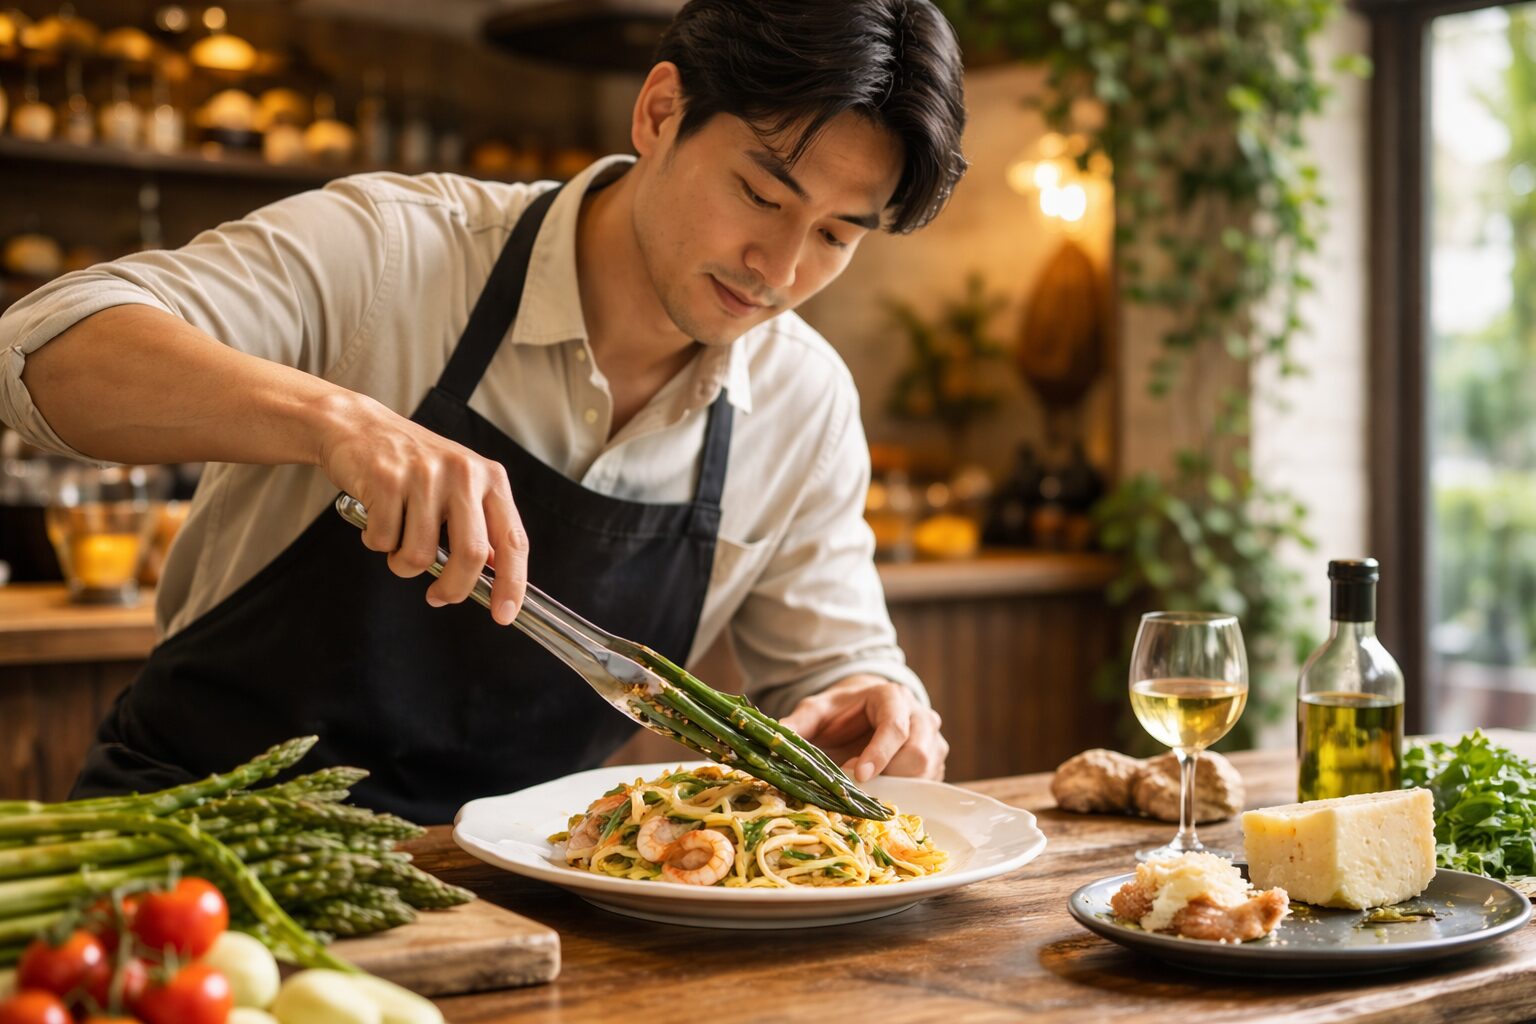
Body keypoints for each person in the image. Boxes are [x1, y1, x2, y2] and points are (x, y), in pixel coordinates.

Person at [0, 0, 968, 823]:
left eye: (838, 235)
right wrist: (338, 424)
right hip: (187, 842)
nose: (782, 268)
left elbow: (832, 670)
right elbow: (41, 350)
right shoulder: (389, 251)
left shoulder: (803, 399)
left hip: (525, 893)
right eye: (761, 193)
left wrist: (875, 710)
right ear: (661, 111)